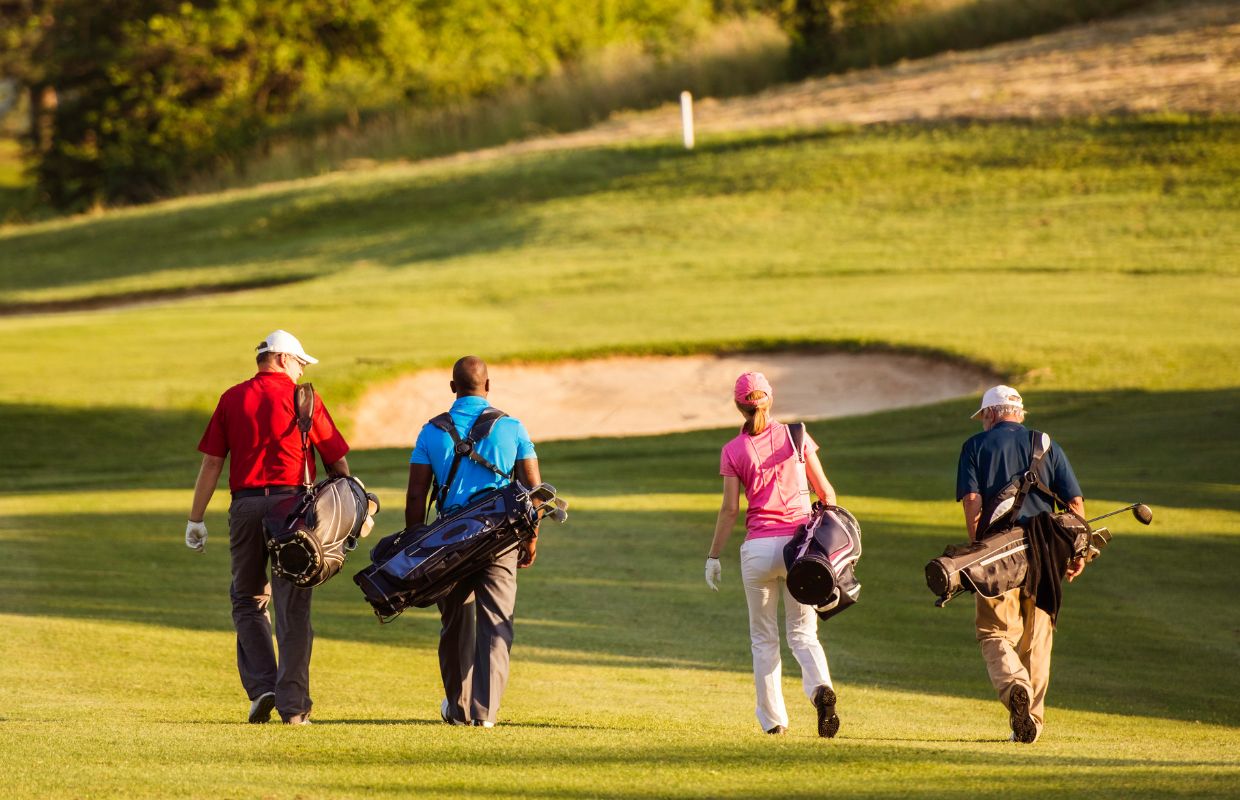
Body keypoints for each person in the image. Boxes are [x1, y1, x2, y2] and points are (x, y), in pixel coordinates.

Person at [186, 330, 350, 725]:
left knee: (247, 598)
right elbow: (337, 462)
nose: (300, 370)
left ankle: (263, 687)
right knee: (292, 608)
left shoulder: (232, 398)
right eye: (299, 362)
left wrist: (196, 518)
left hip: (244, 507)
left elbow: (212, 463)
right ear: (281, 359)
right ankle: (293, 709)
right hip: (293, 510)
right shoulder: (304, 398)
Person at [404, 356, 540, 728]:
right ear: (488, 385)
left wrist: (414, 545)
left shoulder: (431, 431)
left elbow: (417, 496)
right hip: (500, 538)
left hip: (448, 541)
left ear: (453, 388)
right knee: (496, 623)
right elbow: (534, 491)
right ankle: (485, 714)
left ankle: (458, 707)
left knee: (455, 626)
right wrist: (530, 539)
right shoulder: (512, 427)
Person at [704, 372, 842, 737]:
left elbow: (730, 510)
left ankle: (774, 723)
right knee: (803, 634)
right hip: (800, 549)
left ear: (739, 407)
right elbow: (826, 493)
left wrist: (713, 556)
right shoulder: (796, 436)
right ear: (770, 399)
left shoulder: (732, 450)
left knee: (763, 640)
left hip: (758, 551)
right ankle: (820, 689)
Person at [956, 384, 1086, 743]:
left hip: (998, 556)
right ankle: (1030, 724)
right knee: (1037, 641)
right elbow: (1074, 504)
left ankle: (1016, 688)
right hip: (1046, 554)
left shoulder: (975, 446)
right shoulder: (1045, 443)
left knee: (994, 633)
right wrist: (1078, 552)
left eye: (983, 416)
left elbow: (971, 500)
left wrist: (975, 547)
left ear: (991, 413)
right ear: (1018, 413)